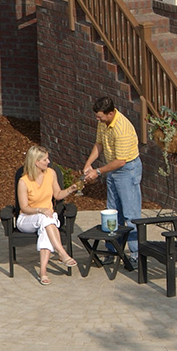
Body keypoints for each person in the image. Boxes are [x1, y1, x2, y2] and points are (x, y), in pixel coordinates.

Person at [82, 96, 142, 262]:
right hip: (113, 169)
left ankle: (136, 254)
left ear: (110, 113)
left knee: (131, 214)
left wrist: (98, 172)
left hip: (127, 170)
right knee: (112, 212)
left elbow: (120, 161)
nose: (97, 119)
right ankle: (113, 251)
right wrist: (88, 165)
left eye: (100, 116)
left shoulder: (121, 129)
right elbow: (99, 144)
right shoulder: (103, 123)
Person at [16, 145, 78, 284]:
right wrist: (40, 210)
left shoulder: (51, 173)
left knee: (46, 225)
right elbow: (24, 207)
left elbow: (57, 194)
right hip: (27, 219)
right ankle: (62, 253)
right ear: (36, 162)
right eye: (45, 160)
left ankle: (42, 271)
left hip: (46, 218)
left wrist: (70, 189)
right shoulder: (23, 181)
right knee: (46, 219)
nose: (48, 162)